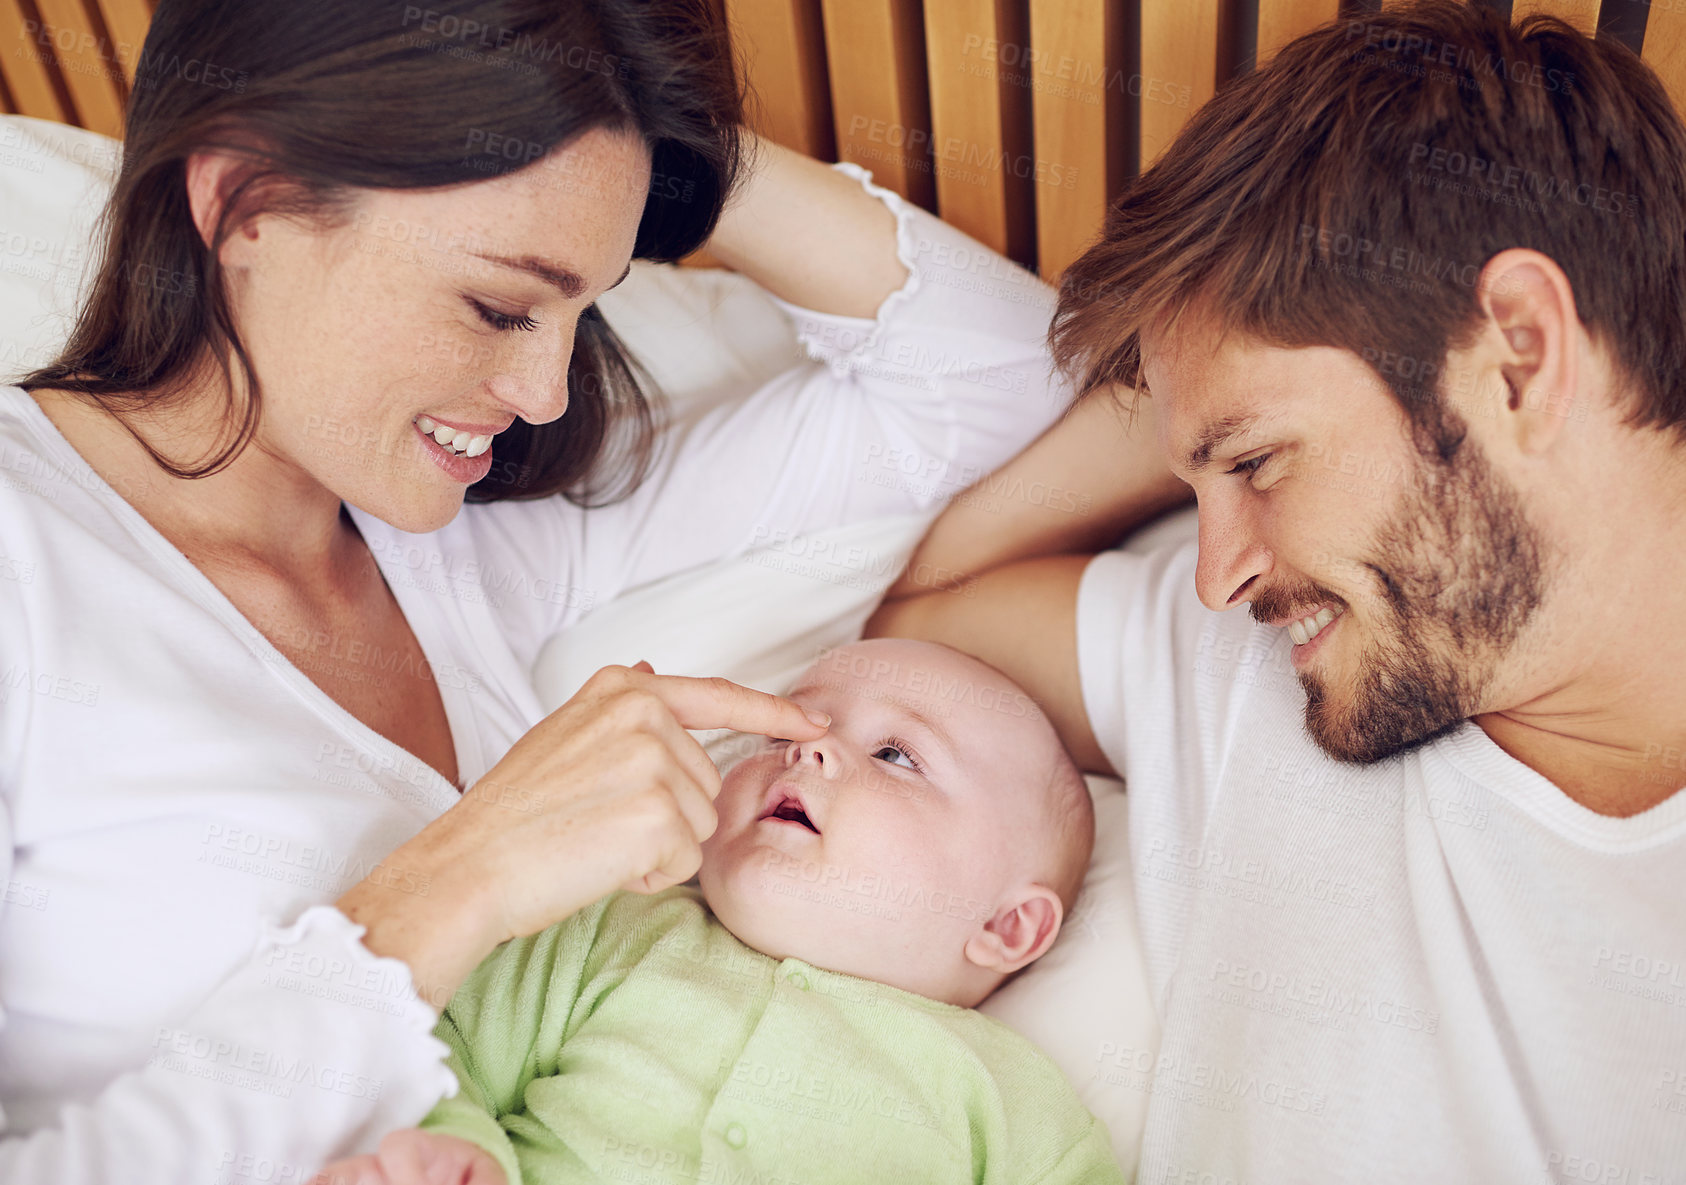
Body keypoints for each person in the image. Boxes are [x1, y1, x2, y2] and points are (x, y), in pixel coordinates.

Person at [0, 2, 1068, 1181]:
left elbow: (1003, 375)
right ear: (248, 201)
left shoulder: (463, 543)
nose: (548, 390)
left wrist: (665, 135)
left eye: (585, 307)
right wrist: (459, 880)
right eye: (502, 304)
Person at [868, 2, 1686, 1181]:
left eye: (1256, 465)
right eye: (1190, 482)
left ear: (1518, 352)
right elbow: (926, 617)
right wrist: (1189, 385)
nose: (1212, 578)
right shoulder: (1275, 665)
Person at [312, 638, 1119, 1185]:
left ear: (1007, 927)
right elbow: (437, 1039)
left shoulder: (1013, 1105)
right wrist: (458, 1148)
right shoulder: (608, 929)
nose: (809, 747)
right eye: (788, 726)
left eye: (895, 754)